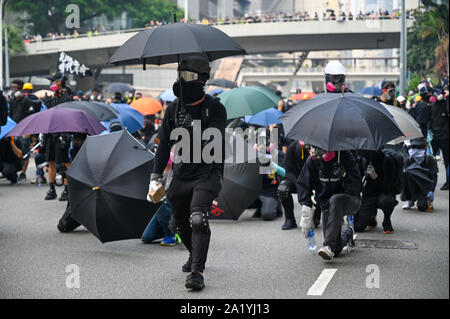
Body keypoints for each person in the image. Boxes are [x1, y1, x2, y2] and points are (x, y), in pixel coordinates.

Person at [147, 56, 227, 291]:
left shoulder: (215, 109)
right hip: (182, 172)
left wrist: (192, 127)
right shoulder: (173, 109)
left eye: (189, 76)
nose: (183, 81)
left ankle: (197, 272)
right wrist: (155, 177)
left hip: (207, 171)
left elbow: (215, 145)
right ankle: (194, 255)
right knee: (178, 222)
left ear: (202, 80)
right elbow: (163, 145)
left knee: (197, 218)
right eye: (180, 76)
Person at [297, 148, 362, 260]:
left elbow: (357, 188)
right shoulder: (313, 160)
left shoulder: (345, 156)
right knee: (336, 250)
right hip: (327, 204)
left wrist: (345, 175)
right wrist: (306, 210)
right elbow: (303, 184)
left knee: (336, 199)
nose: (318, 151)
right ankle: (347, 234)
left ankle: (328, 246)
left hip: (349, 200)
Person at [354, 149, 403, 234]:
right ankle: (371, 217)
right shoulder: (363, 160)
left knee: (387, 201)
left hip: (385, 194)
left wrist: (375, 177)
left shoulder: (388, 161)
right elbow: (358, 181)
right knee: (358, 227)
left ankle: (387, 219)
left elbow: (388, 187)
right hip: (369, 195)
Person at [42, 72, 73, 201]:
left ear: (59, 82)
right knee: (51, 162)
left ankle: (68, 189)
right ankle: (52, 189)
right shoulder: (52, 97)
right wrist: (48, 101)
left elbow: (64, 114)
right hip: (50, 133)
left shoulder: (67, 97)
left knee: (65, 162)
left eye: (53, 81)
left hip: (62, 133)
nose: (51, 84)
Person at [279, 140, 321, 230]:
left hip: (314, 182)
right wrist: (299, 184)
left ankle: (316, 216)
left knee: (320, 188)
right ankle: (289, 219)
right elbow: (288, 171)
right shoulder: (292, 147)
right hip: (296, 181)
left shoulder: (318, 147)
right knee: (283, 189)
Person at [57, 133, 88, 232]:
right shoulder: (69, 147)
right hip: (76, 180)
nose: (76, 142)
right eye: (75, 140)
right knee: (62, 225)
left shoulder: (90, 149)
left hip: (88, 182)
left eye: (78, 140)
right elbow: (64, 164)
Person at [401, 138, 438, 211]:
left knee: (422, 207)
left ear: (424, 148)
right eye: (413, 147)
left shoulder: (429, 159)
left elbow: (434, 176)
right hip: (412, 186)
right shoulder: (409, 160)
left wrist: (431, 190)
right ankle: (409, 199)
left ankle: (427, 200)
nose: (416, 150)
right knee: (405, 173)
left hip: (424, 187)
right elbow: (404, 178)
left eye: (418, 147)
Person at [428, 85, 449, 190]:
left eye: (439, 91)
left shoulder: (446, 104)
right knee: (429, 158)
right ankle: (427, 180)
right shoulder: (432, 106)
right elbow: (429, 120)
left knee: (447, 160)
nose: (437, 93)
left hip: (445, 136)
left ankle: (448, 182)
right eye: (435, 91)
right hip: (434, 137)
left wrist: (447, 98)